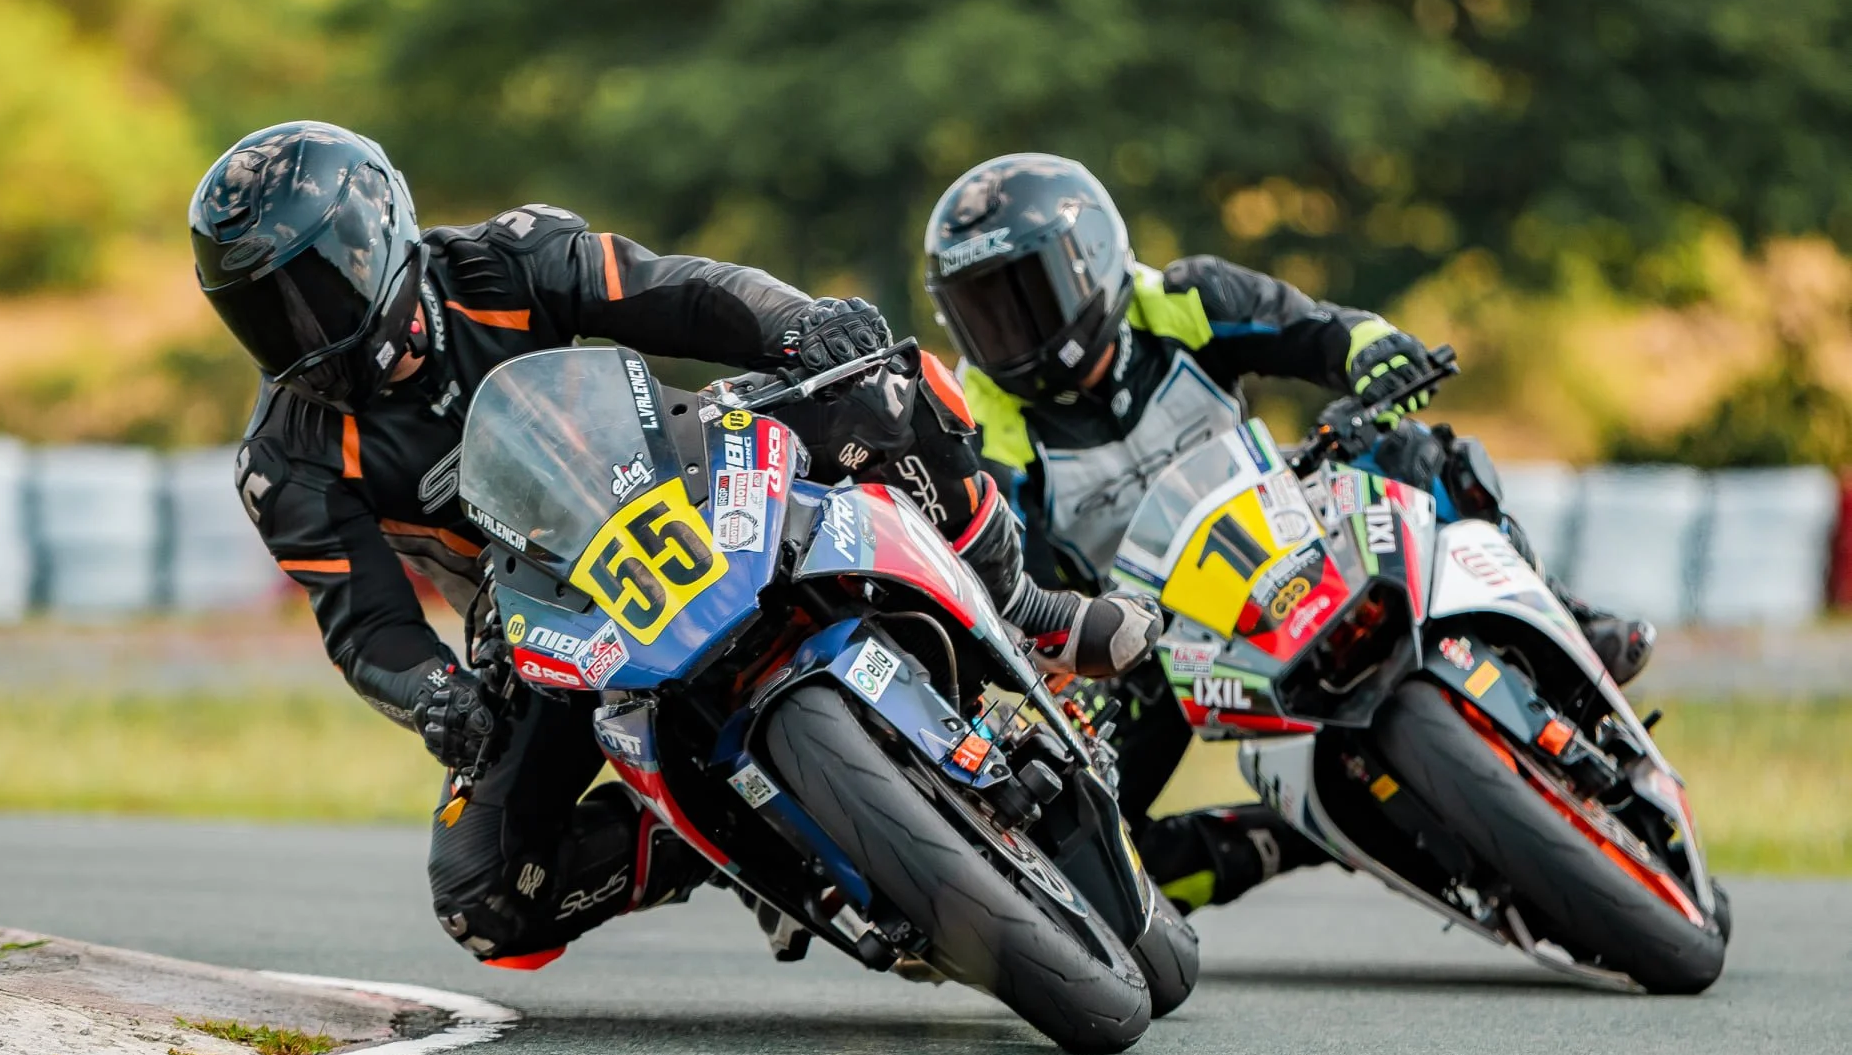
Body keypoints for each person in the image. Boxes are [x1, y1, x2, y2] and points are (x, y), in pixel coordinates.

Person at [192, 122, 1158, 967]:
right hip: (535, 610)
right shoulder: (286, 460)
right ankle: (714, 838)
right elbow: (364, 624)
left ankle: (1026, 609)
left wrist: (800, 325)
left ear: (378, 232)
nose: (303, 327)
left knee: (877, 383)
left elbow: (683, 292)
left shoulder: (506, 257)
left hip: (682, 463)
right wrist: (431, 696)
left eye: (317, 284)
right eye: (266, 310)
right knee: (484, 898)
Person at [923, 151, 1657, 916]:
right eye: (984, 312)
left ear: (1094, 261)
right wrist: (1074, 657)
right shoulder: (983, 425)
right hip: (1150, 642)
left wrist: (1373, 355)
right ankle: (1296, 834)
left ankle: (1563, 620)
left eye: (1026, 297)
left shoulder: (1181, 298)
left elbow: (1317, 329)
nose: (1011, 332)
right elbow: (1015, 578)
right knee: (1076, 859)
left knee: (1413, 451)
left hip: (1289, 530)